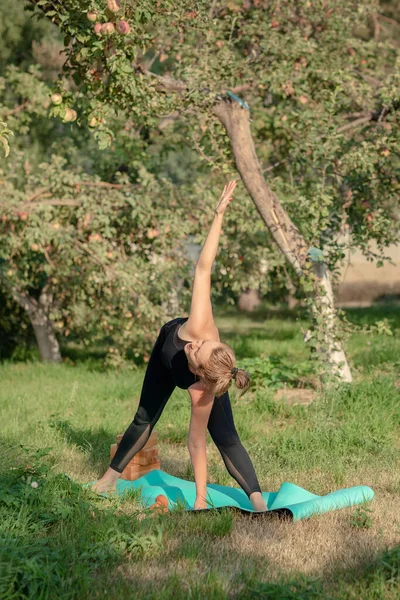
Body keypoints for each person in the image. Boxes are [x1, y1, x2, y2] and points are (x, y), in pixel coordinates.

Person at [92, 180, 267, 511]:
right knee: (145, 418)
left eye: (196, 350)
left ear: (199, 372)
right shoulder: (201, 326)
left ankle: (259, 503)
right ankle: (107, 481)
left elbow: (196, 443)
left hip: (206, 381)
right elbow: (204, 268)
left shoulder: (203, 388)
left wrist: (200, 501)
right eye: (201, 344)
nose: (195, 343)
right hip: (163, 355)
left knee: (226, 437)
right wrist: (218, 215)